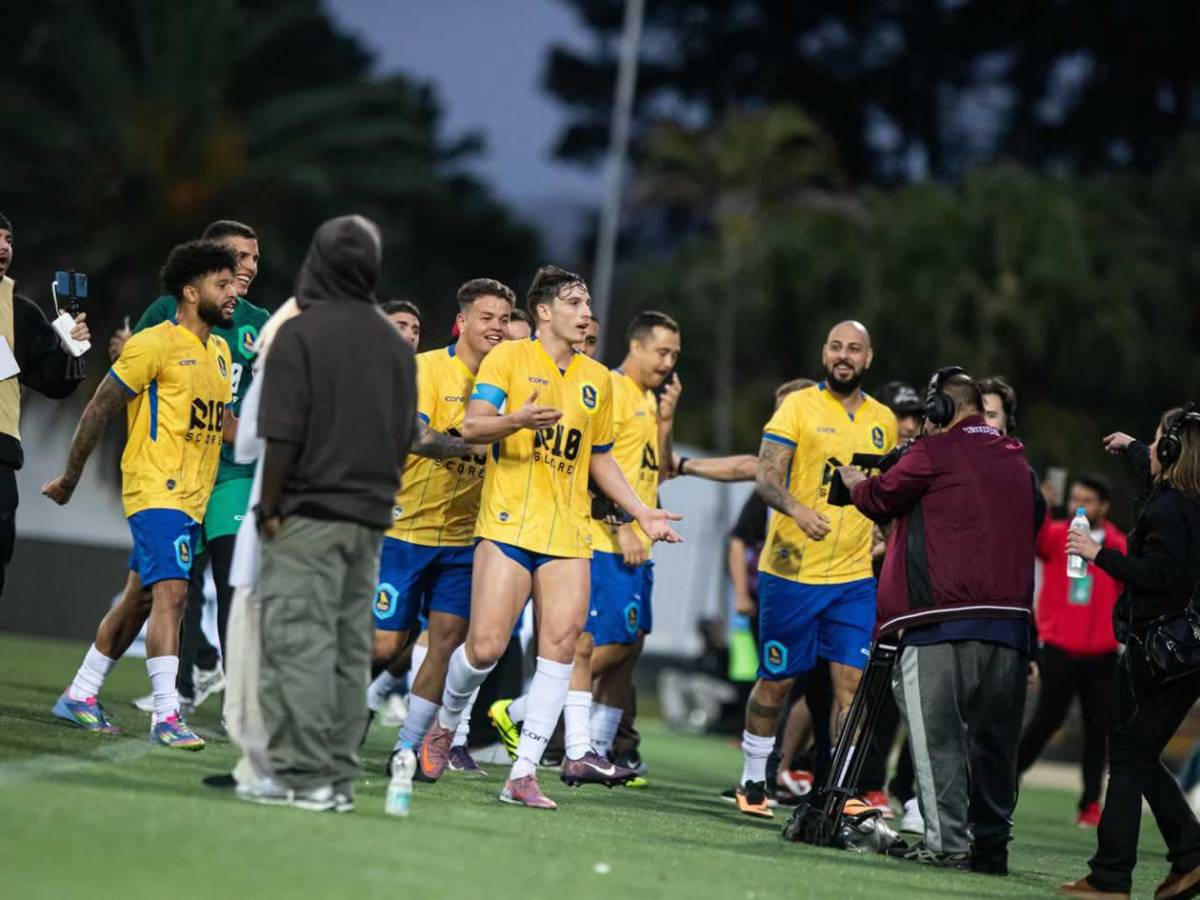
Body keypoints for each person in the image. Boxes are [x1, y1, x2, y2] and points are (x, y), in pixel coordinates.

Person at [411, 265, 681, 810]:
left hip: (569, 532)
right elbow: (471, 425)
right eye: (576, 303)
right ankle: (446, 722)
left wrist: (639, 512)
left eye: (587, 305)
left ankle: (524, 772)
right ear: (544, 312)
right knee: (483, 648)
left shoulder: (597, 378)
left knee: (562, 646)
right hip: (508, 524)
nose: (586, 314)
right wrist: (517, 420)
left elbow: (600, 458)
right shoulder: (508, 357)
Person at [245, 215, 416, 812]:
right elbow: (404, 437)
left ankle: (301, 773)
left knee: (297, 642)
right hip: (370, 520)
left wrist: (270, 505)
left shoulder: (303, 333)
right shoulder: (396, 347)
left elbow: (281, 432)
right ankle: (337, 778)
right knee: (348, 651)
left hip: (308, 512)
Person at [842, 367, 1037, 873]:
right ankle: (992, 847)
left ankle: (948, 844)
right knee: (995, 745)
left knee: (936, 739)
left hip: (943, 621)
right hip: (1011, 626)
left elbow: (880, 497)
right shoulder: (1017, 459)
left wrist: (853, 482)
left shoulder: (934, 451)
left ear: (940, 410)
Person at [46, 240, 236, 748]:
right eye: (223, 284)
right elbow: (99, 408)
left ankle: (80, 694)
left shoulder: (218, 353)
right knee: (173, 594)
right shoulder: (153, 343)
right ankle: (168, 716)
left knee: (140, 598)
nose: (234, 292)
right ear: (191, 292)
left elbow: (227, 427)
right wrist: (69, 478)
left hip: (193, 500)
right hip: (157, 489)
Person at [489, 311, 681, 787]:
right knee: (595, 647)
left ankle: (593, 746)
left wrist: (668, 421)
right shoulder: (608, 388)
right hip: (602, 540)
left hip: (637, 540)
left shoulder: (647, 397)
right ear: (635, 347)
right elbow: (595, 461)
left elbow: (655, 467)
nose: (669, 362)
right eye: (662, 351)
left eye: (675, 354)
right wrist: (622, 528)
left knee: (627, 650)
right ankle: (521, 712)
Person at [733, 321, 897, 819]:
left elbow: (884, 486)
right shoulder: (798, 406)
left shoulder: (884, 421)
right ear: (824, 353)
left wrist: (881, 528)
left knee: (852, 682)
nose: (843, 356)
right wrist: (797, 509)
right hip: (791, 572)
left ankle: (840, 790)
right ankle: (752, 778)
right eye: (835, 347)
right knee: (777, 681)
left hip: (851, 578)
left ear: (868, 359)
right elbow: (765, 477)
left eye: (854, 349)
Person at [118, 220, 268, 714]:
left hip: (234, 472)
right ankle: (182, 683)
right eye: (238, 256)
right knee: (168, 586)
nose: (248, 266)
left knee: (229, 577)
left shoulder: (259, 322)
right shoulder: (168, 310)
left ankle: (237, 697)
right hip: (178, 469)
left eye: (254, 258)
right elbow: (130, 366)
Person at [374, 278, 514, 777]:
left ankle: (408, 745)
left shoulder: (511, 382)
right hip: (406, 528)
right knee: (385, 645)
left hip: (463, 539)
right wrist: (470, 445)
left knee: (445, 640)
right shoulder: (426, 368)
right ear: (463, 322)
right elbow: (413, 435)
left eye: (503, 319)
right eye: (487, 318)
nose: (496, 327)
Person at [1060, 408, 1200, 900]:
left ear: (1173, 452)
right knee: (1136, 754)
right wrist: (1135, 446)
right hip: (1185, 654)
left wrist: (1101, 557)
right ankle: (1189, 853)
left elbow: (1163, 575)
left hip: (1162, 654)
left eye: (1160, 441)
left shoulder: (1170, 509)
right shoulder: (1186, 497)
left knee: (1126, 756)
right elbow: (1157, 473)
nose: (1154, 449)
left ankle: (1111, 877)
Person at [1018, 475, 1126, 828]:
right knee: (1046, 721)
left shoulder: (1118, 544)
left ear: (1104, 506)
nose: (1081, 504)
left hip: (1103, 652)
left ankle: (1090, 805)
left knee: (1099, 730)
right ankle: (1007, 777)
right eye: (1076, 497)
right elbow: (1026, 539)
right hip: (1060, 648)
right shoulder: (1056, 534)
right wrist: (1040, 507)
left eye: (1089, 500)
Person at [0, 212, 90, 600]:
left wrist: (70, 348)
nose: (4, 247)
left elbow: (53, 381)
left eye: (8, 239)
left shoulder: (19, 311)